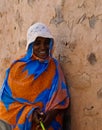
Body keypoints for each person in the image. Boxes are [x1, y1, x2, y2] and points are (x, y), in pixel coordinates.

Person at [0, 22, 70, 130]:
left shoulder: (54, 67)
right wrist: (31, 114)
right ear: (30, 44)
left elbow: (60, 100)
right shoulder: (17, 68)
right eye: (38, 43)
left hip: (47, 124)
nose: (43, 47)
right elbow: (7, 102)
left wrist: (48, 119)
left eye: (46, 42)